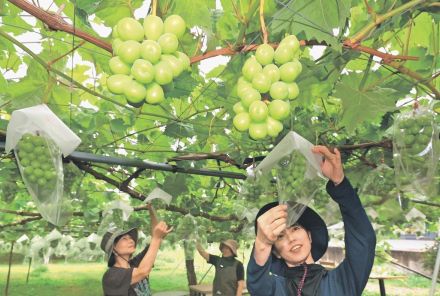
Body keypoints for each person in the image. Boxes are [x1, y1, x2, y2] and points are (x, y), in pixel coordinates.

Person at [247, 146, 376, 296]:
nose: (291, 238)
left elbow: (364, 242)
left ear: (309, 236)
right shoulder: (275, 290)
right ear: (275, 252)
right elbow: (256, 284)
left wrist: (340, 184)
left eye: (295, 228)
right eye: (280, 236)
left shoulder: (341, 282)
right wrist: (262, 244)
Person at [100, 205, 172, 296]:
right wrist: (157, 238)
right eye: (124, 239)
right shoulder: (111, 276)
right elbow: (143, 271)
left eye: (130, 238)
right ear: (113, 248)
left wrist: (150, 209)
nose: (131, 240)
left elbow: (155, 239)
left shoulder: (134, 264)